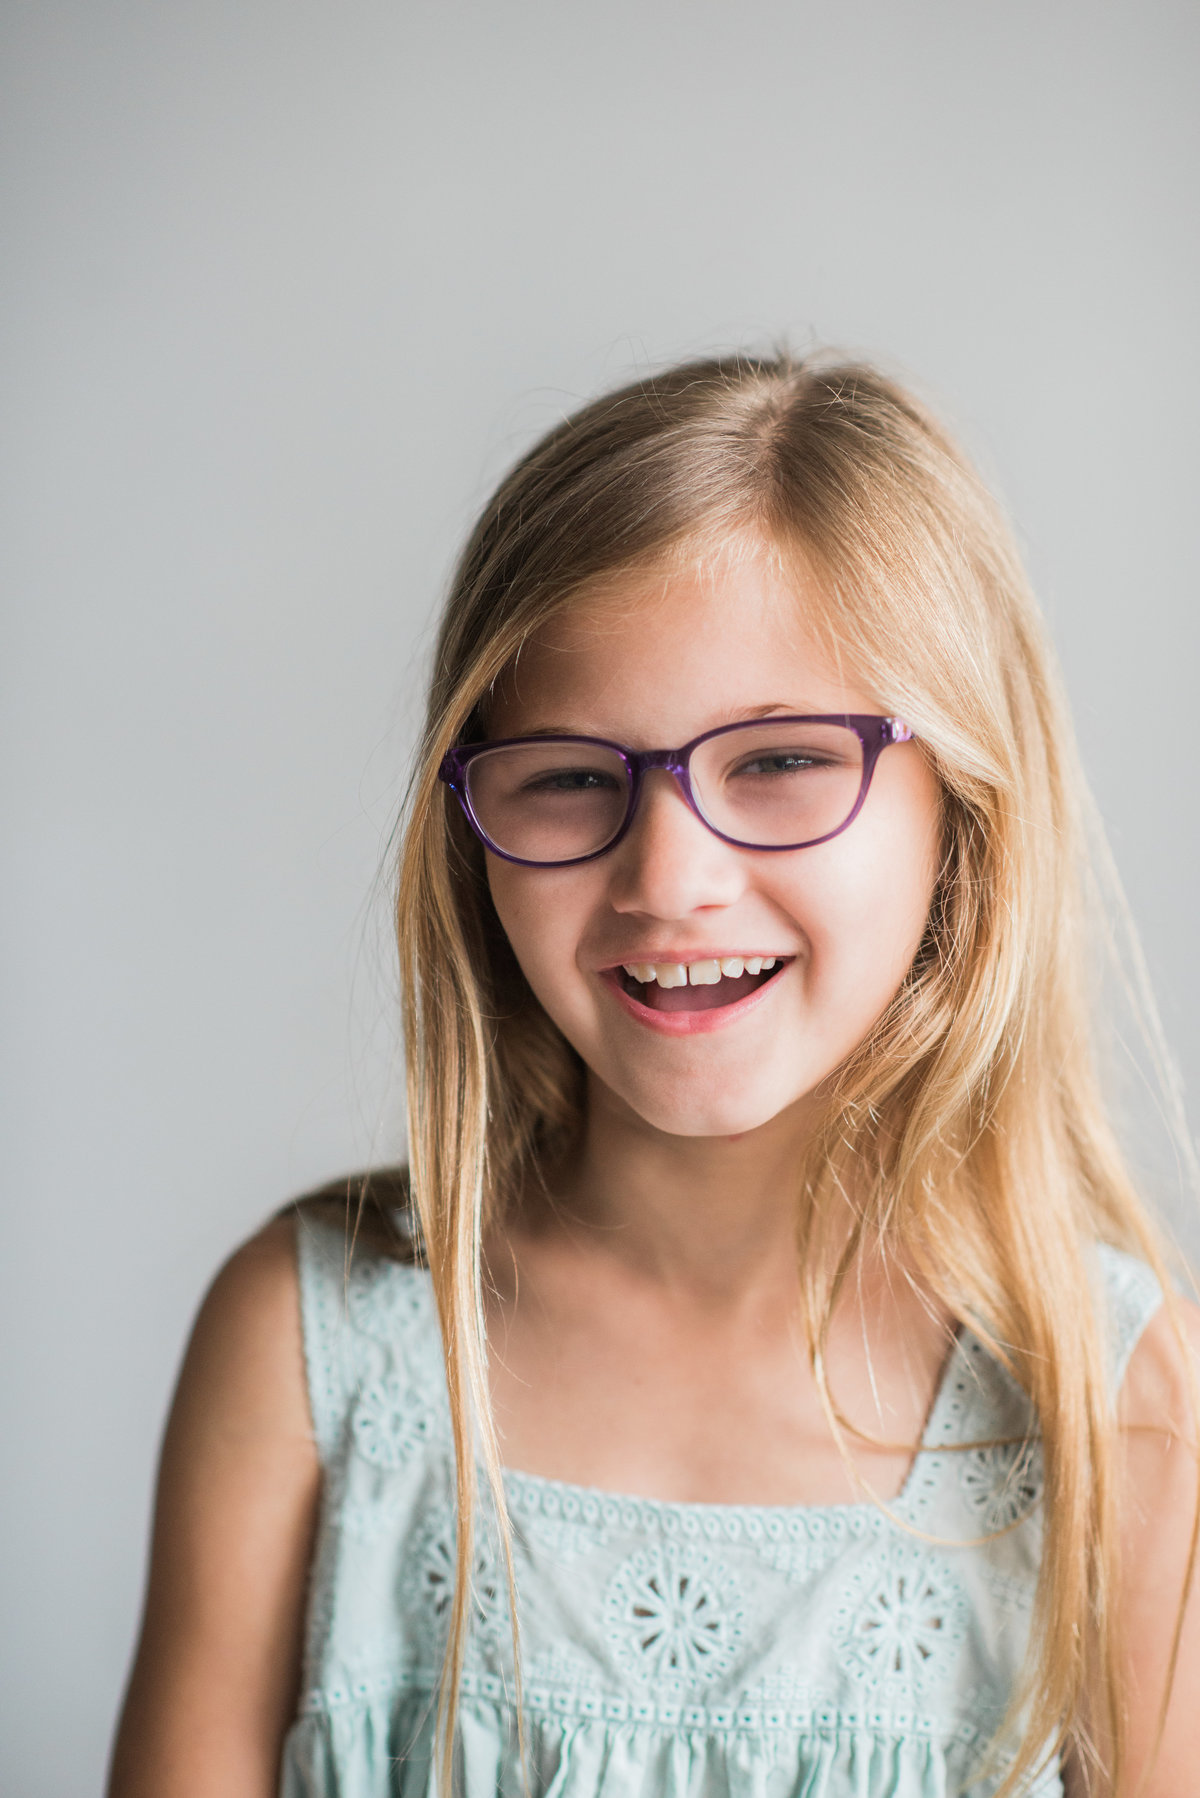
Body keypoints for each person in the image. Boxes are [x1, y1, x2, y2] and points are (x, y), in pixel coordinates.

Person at [108, 353, 1200, 1798]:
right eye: (568, 775)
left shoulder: (1117, 1409)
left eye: (784, 762)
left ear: (968, 810)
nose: (670, 878)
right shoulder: (309, 1350)